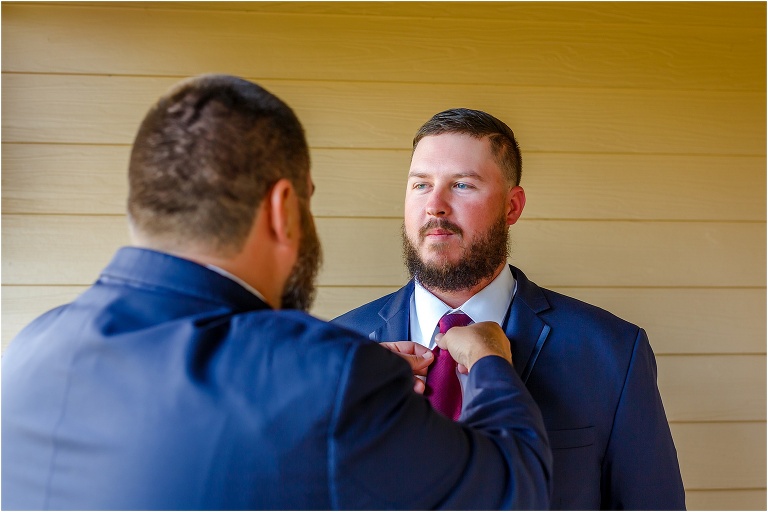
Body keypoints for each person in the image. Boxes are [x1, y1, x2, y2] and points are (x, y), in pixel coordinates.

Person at [1, 77, 552, 510]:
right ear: (283, 208)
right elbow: (513, 488)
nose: (434, 205)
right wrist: (488, 363)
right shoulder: (327, 369)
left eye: (461, 185)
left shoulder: (29, 351)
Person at [334, 108, 686, 510]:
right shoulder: (340, 348)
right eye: (420, 185)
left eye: (462, 185)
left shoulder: (613, 351)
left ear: (512, 207)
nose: (435, 206)